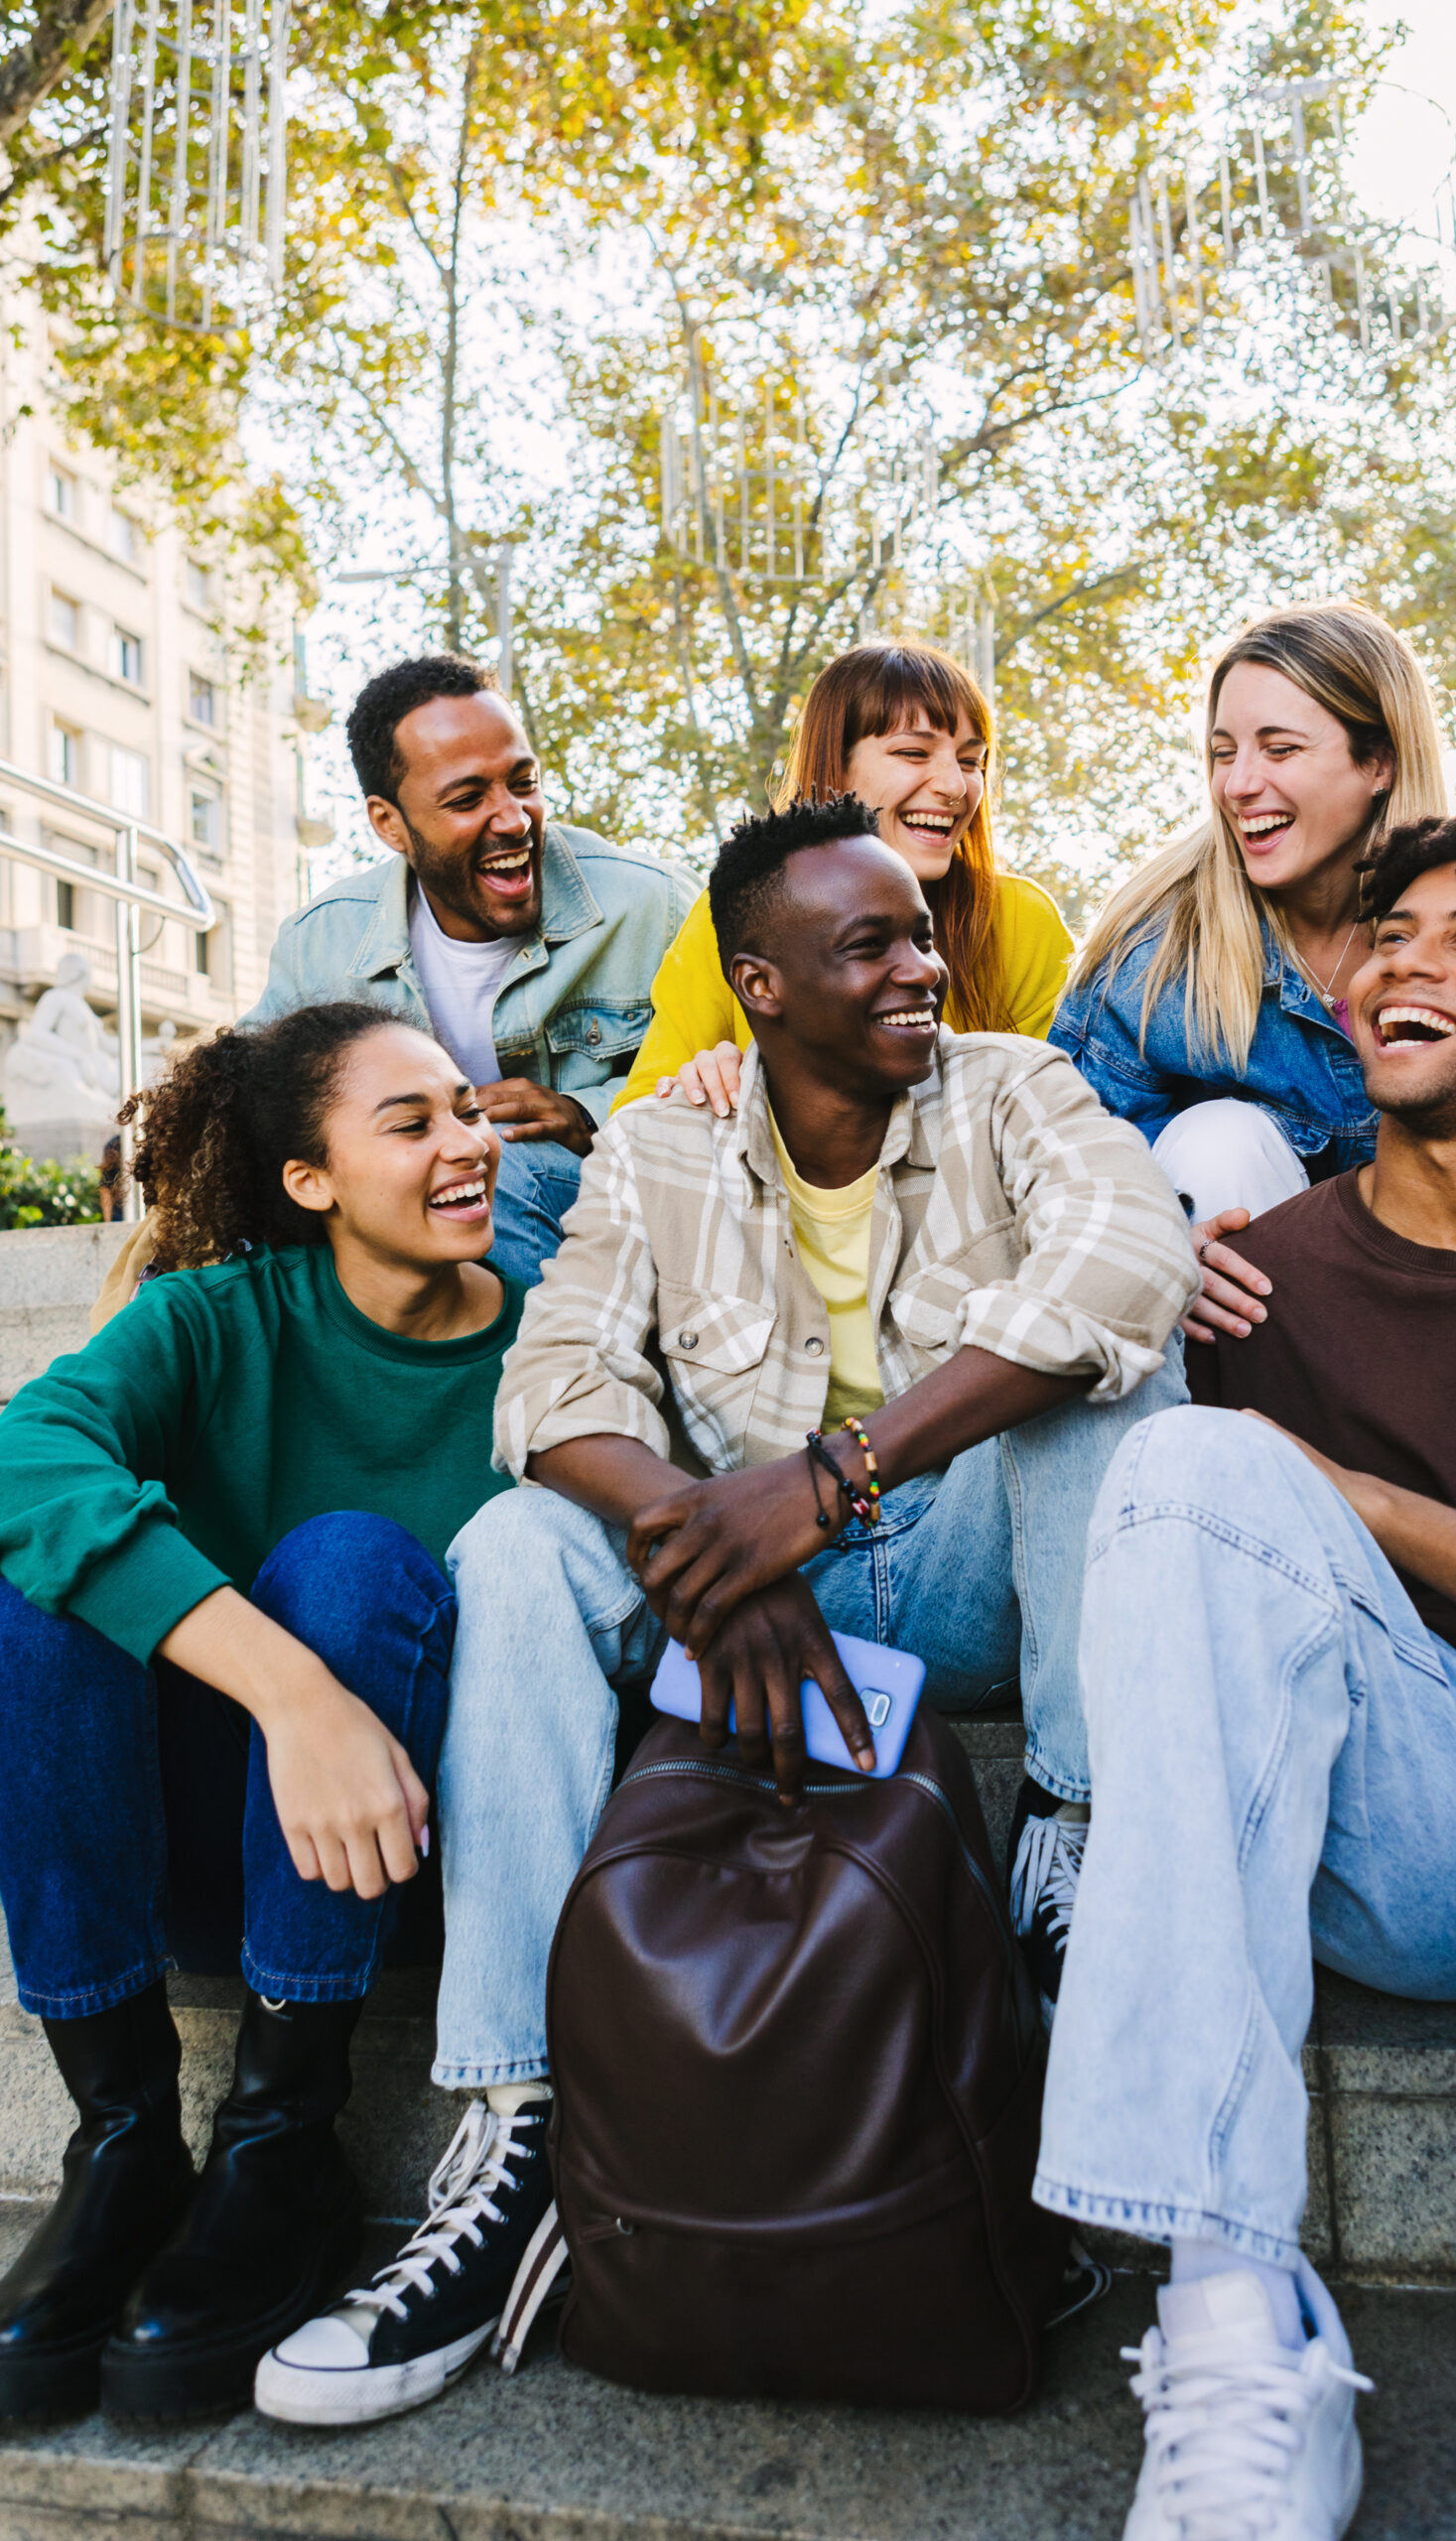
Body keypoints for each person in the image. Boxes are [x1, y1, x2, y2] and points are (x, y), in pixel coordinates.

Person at [257, 793, 1196, 2428]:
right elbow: (550, 1392)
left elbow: (1128, 1266)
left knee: (1112, 1387)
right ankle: (518, 2124)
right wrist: (718, 1546)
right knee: (517, 1548)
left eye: (921, 930)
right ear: (757, 984)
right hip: (753, 1567)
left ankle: (1065, 1839)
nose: (919, 966)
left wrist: (824, 1481)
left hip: (960, 1559)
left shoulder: (1015, 1085)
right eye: (869, 945)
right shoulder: (663, 1144)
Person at [1035, 808, 1456, 2541]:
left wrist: (1381, 1508)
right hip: (1363, 1802)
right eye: (1385, 932)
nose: (1401, 955)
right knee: (1176, 1470)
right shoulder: (1260, 1283)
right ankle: (1232, 2311)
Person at [0, 1004, 527, 2424]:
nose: (465, 1144)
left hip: (412, 1869)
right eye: (409, 1124)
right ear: (309, 1182)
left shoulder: (555, 1342)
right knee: (36, 1583)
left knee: (349, 1562)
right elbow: (18, 1462)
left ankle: (282, 2142)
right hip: (191, 1862)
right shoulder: (214, 1320)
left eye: (466, 1111)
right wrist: (294, 1693)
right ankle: (121, 2142)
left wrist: (344, 1684)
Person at [1051, 600, 1456, 1351]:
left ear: (1379, 762)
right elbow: (1065, 1154)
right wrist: (1151, 1248)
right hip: (1255, 1323)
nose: (1238, 784)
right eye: (1224, 753)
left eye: (1280, 749)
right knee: (1217, 1137)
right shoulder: (1158, 955)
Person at [92, 653, 696, 1320]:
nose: (514, 820)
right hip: (395, 1219)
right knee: (185, 1255)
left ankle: (541, 1406)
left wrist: (588, 1112)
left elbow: (746, 1084)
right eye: (468, 799)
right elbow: (248, 1114)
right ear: (388, 824)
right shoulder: (323, 944)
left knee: (492, 1167)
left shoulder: (653, 906)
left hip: (594, 1196)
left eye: (522, 783)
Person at [616, 639, 1072, 1115]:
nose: (955, 787)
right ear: (837, 766)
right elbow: (637, 1113)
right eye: (914, 752)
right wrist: (695, 1088)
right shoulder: (734, 912)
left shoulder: (1020, 921)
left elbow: (1063, 1113)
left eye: (970, 761)